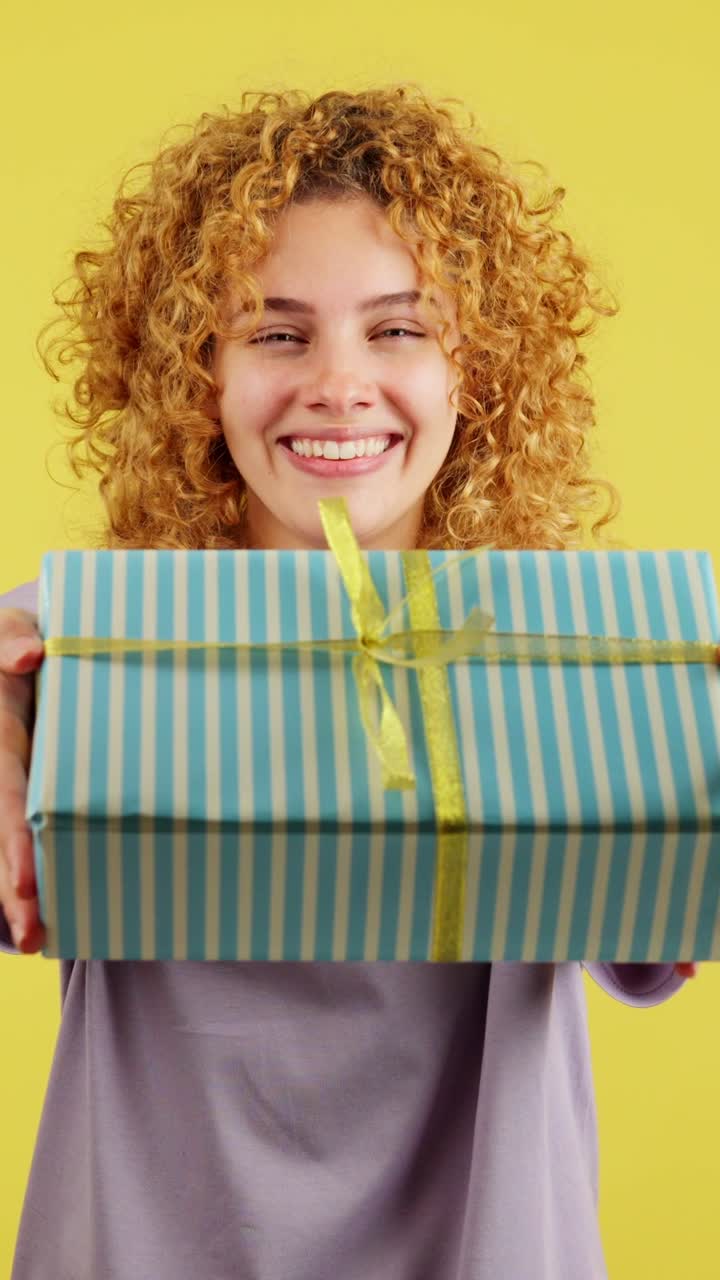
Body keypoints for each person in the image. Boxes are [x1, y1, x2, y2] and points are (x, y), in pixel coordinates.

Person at [0, 84, 698, 1280]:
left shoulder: (571, 651)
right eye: (277, 332)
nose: (337, 383)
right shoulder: (88, 646)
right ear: (196, 375)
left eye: (398, 328)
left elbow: (650, 940)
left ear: (474, 370)